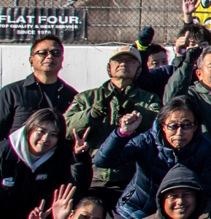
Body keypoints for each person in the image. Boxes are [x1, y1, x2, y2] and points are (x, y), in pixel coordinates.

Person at [95, 100, 211, 219]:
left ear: (195, 126)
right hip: (137, 212)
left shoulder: (205, 149)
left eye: (186, 125)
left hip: (182, 217)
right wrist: (122, 133)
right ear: (162, 126)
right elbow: (103, 161)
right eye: (173, 125)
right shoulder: (145, 141)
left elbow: (208, 193)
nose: (179, 132)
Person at [66, 47, 161, 201]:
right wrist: (91, 115)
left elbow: (159, 127)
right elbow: (66, 129)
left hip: (131, 178)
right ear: (108, 68)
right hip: (91, 177)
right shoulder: (86, 98)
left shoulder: (150, 99)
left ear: (139, 70)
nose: (123, 64)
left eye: (130, 61)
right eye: (118, 60)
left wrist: (137, 112)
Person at [0, 35, 77, 145]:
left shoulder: (72, 96)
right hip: (17, 155)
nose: (50, 56)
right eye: (42, 53)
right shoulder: (11, 93)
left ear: (62, 59)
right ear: (31, 60)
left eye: (56, 53)